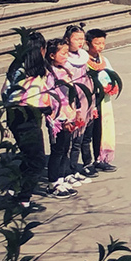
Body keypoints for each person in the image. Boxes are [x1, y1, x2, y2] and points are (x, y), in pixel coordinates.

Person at [3, 32, 52, 212]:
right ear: (41, 50)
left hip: (14, 116)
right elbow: (36, 98)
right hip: (28, 117)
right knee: (37, 160)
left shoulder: (16, 67)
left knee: (28, 155)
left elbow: (5, 92)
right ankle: (23, 199)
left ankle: (15, 188)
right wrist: (47, 109)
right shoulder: (34, 73)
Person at [43, 38, 80, 199]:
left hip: (69, 114)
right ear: (52, 55)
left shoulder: (65, 70)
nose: (66, 56)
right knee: (57, 150)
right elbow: (49, 96)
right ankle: (53, 183)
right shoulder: (48, 73)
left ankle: (61, 178)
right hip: (57, 117)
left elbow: (72, 92)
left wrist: (76, 111)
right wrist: (59, 116)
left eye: (67, 53)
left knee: (66, 148)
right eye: (63, 53)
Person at [63, 24, 97, 182]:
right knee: (73, 140)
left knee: (83, 137)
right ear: (67, 39)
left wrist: (92, 104)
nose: (80, 42)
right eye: (76, 39)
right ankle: (68, 170)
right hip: (73, 100)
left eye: (82, 39)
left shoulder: (83, 56)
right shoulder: (65, 59)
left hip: (86, 99)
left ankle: (78, 166)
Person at [84, 28, 118, 173]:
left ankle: (100, 159)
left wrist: (113, 86)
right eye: (97, 43)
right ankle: (87, 162)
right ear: (88, 43)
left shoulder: (104, 60)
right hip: (89, 99)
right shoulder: (83, 60)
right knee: (88, 132)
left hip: (103, 100)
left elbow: (112, 75)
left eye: (102, 43)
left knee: (102, 129)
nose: (100, 47)